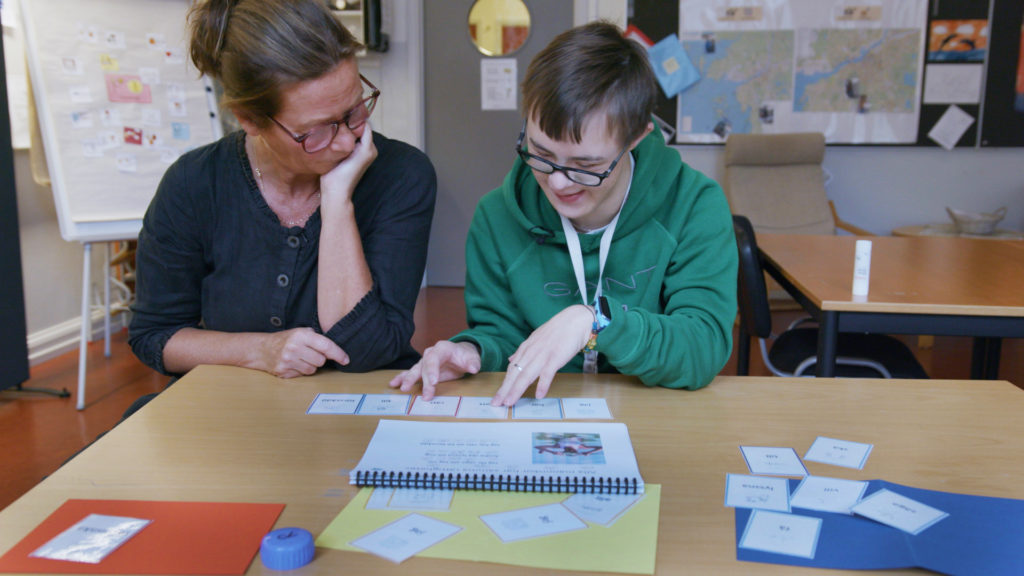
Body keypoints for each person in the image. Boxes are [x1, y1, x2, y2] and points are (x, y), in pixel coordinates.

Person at [390, 21, 737, 406]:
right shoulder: (496, 216)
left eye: (586, 165)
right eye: (541, 154)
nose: (557, 184)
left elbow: (702, 347)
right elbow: (502, 335)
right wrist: (473, 351)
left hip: (654, 411)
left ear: (637, 135)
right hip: (543, 413)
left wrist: (596, 322)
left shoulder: (694, 206)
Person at [129, 0, 436, 382]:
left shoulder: (401, 174)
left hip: (362, 406)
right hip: (236, 410)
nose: (347, 143)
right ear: (249, 119)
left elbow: (366, 351)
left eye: (355, 110)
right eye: (318, 131)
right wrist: (259, 350)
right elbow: (155, 335)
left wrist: (338, 202)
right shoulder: (193, 183)